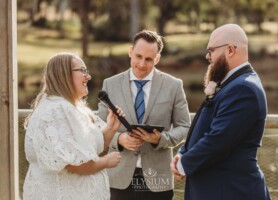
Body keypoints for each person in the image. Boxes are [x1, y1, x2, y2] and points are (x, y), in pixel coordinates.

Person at [171, 24, 271, 200]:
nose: (207, 56)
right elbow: (205, 129)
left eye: (211, 50)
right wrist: (183, 152)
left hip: (231, 191)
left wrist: (184, 164)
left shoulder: (243, 88)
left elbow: (219, 139)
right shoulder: (232, 84)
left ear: (230, 50)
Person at [97, 30, 190, 200]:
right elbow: (98, 126)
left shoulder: (174, 86)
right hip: (117, 178)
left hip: (158, 180)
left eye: (148, 59)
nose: (141, 63)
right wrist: (119, 139)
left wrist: (160, 139)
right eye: (138, 56)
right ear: (131, 52)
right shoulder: (110, 85)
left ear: (157, 59)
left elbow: (184, 127)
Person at [23, 52, 123, 200]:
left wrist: (111, 127)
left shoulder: (71, 108)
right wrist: (105, 162)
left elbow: (88, 149)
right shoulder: (56, 111)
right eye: (82, 71)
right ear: (63, 75)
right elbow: (74, 164)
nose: (88, 76)